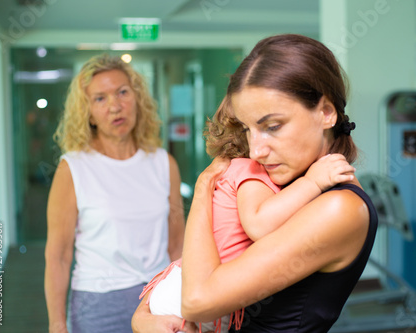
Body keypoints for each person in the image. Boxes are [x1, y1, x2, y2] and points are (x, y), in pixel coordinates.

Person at [132, 33, 378, 333]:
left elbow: (197, 302)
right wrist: (144, 316)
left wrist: (202, 191)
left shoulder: (339, 208)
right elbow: (205, 266)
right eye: (248, 129)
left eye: (272, 127)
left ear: (326, 113)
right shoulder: (286, 186)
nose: (257, 149)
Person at [45, 54, 185, 333]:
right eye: (100, 98)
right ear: (87, 112)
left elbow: (177, 242)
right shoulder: (73, 167)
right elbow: (58, 255)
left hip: (157, 297)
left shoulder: (162, 162)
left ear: (137, 98)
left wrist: (187, 299)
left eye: (122, 92)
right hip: (98, 303)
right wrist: (57, 324)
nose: (115, 106)